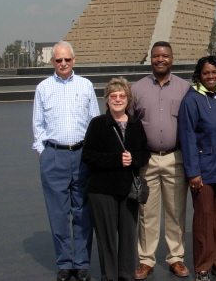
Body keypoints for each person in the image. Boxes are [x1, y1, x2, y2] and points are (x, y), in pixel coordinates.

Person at [32, 41, 100, 281]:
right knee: (58, 214)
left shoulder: (85, 85)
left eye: (67, 60)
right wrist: (43, 151)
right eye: (58, 60)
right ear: (53, 62)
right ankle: (64, 263)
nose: (63, 64)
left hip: (82, 156)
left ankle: (81, 263)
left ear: (74, 60)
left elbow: (94, 121)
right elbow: (38, 124)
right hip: (54, 156)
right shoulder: (43, 87)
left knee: (83, 212)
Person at [132, 42, 191, 279]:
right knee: (148, 213)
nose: (160, 60)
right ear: (150, 59)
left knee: (176, 211)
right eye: (156, 56)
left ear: (172, 59)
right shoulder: (136, 89)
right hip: (148, 160)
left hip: (175, 158)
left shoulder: (185, 89)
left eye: (165, 56)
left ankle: (176, 257)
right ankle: (146, 259)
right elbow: (131, 125)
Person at [82, 78, 151, 281]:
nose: (118, 100)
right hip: (102, 189)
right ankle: (109, 276)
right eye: (113, 96)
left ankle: (126, 274)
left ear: (128, 100)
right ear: (107, 100)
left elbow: (144, 152)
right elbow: (88, 155)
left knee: (129, 235)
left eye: (122, 96)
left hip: (128, 188)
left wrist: (134, 159)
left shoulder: (135, 125)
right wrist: (116, 159)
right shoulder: (97, 124)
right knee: (107, 237)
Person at [178, 56, 216, 281]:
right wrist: (193, 172)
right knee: (204, 219)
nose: (211, 76)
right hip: (203, 169)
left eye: (215, 72)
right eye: (206, 73)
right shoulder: (192, 100)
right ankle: (202, 266)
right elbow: (188, 137)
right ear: (199, 76)